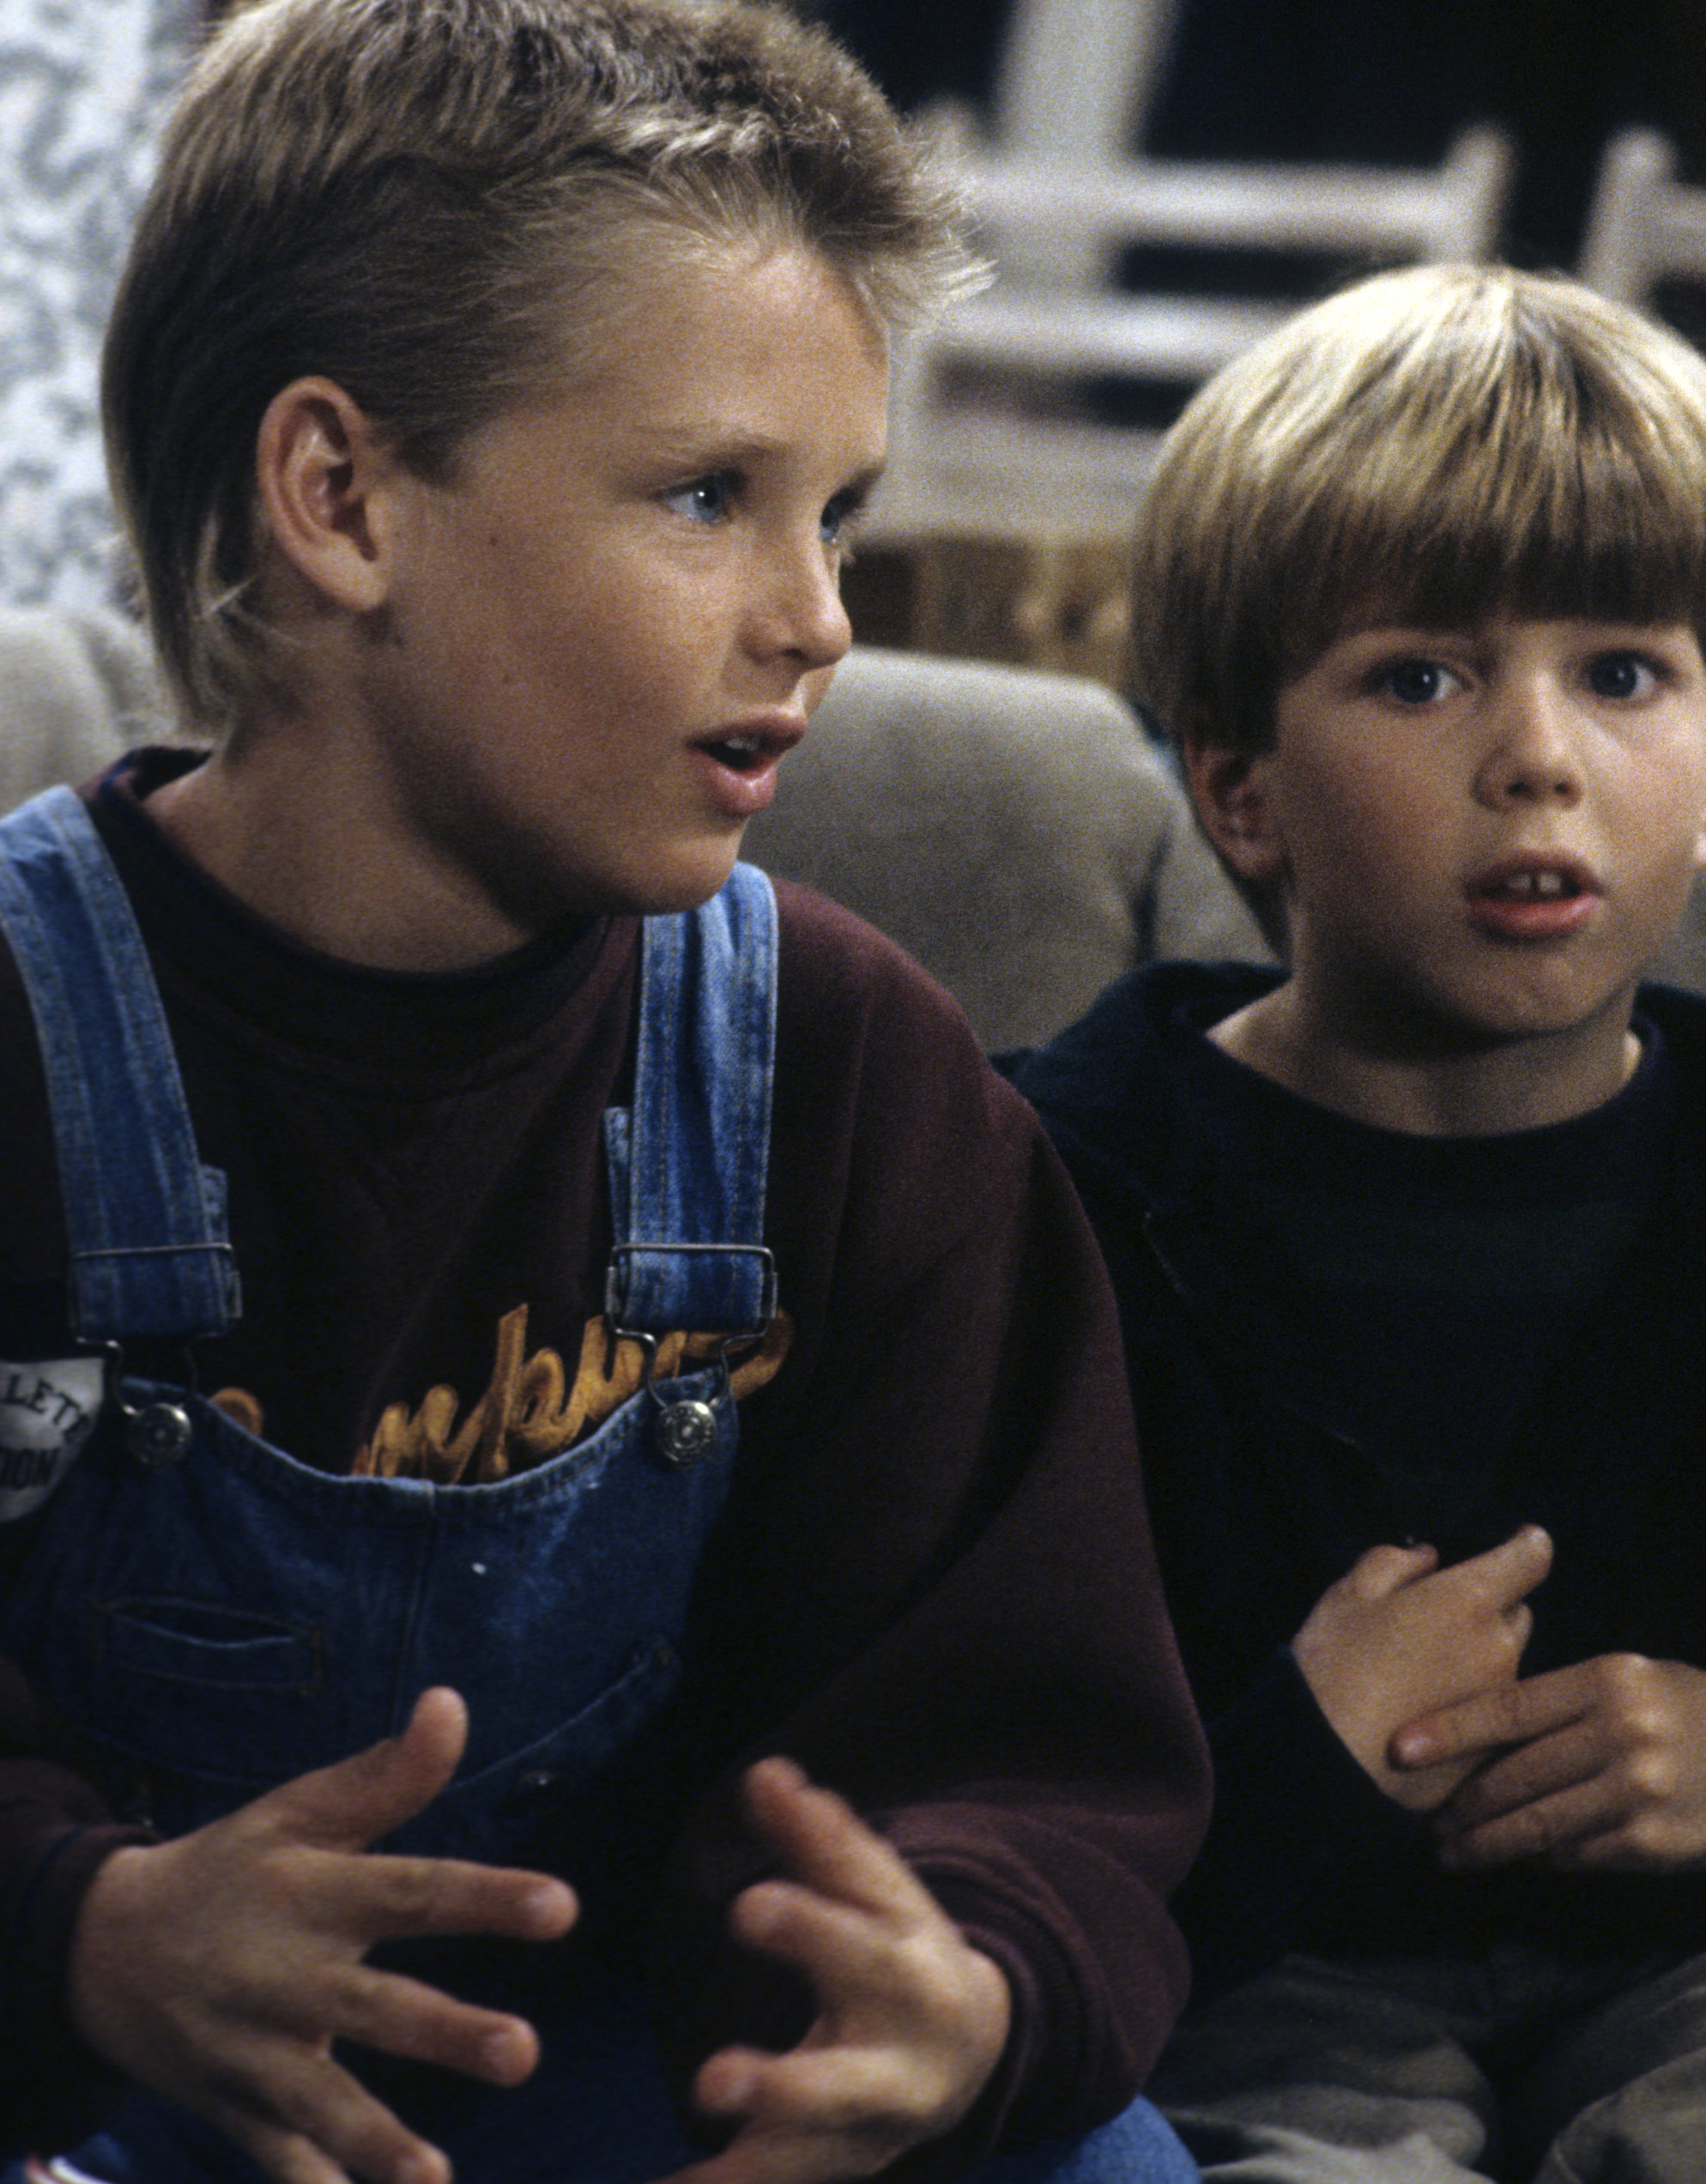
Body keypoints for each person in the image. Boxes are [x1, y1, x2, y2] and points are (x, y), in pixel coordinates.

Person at [0, 3, 1209, 2181]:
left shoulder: (849, 1070)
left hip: (637, 2077)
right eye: (705, 495)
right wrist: (69, 1927)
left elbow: (1021, 1730)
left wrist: (954, 1980)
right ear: (341, 495)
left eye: (834, 511)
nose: (819, 614)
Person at [998, 263, 1706, 2183]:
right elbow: (992, 1807)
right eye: (1420, 676)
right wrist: (1290, 1762)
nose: (1536, 754)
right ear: (1237, 784)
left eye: (1620, 676)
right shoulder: (1048, 1189)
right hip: (1253, 1979)